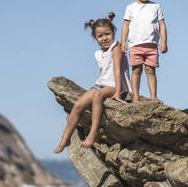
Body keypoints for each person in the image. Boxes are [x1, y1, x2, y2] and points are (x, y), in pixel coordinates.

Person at [54, 12, 131, 154]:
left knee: (97, 97)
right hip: (102, 85)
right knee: (77, 106)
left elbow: (117, 70)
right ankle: (65, 138)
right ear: (95, 37)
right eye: (100, 36)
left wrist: (118, 93)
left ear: (113, 32)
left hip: (116, 86)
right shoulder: (99, 53)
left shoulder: (116, 47)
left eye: (107, 34)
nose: (104, 38)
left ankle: (93, 134)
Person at [121, 0, 168, 104]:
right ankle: (135, 97)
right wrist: (123, 42)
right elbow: (126, 25)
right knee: (136, 70)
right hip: (135, 45)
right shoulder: (130, 8)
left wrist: (164, 41)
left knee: (150, 70)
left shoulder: (156, 7)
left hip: (152, 45)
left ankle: (153, 96)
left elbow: (162, 25)